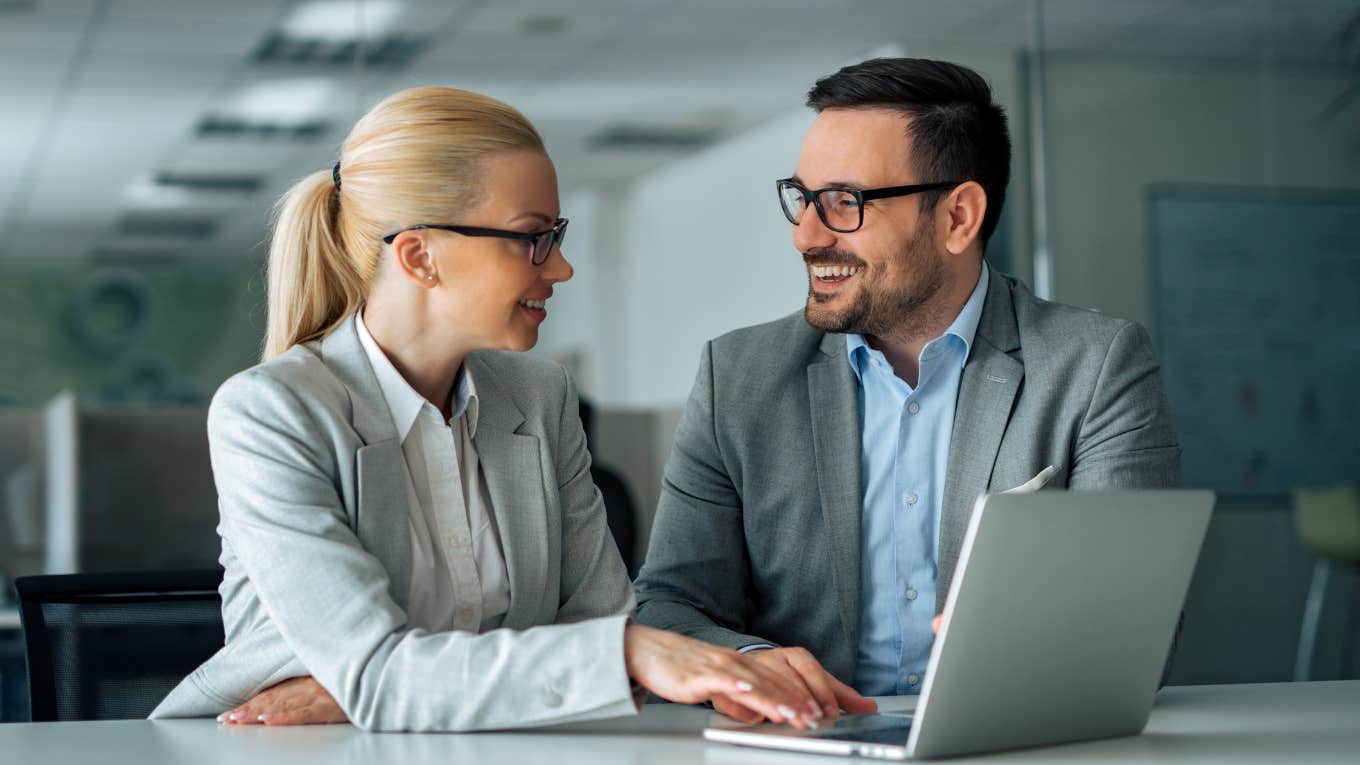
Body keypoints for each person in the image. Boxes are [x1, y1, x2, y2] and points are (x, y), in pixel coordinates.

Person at [149, 86, 872, 732]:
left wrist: (380, 685)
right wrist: (380, 683)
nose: (560, 267)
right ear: (419, 257)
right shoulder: (271, 414)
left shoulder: (538, 395)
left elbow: (597, 626)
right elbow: (386, 672)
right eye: (534, 238)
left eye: (555, 237)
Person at [633, 58, 1181, 717]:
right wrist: (751, 667)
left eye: (844, 202)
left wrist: (1040, 640)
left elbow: (1136, 624)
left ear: (958, 217)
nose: (805, 235)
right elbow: (666, 606)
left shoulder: (1095, 368)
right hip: (807, 747)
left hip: (1017, 740)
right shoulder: (738, 378)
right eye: (803, 198)